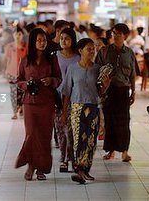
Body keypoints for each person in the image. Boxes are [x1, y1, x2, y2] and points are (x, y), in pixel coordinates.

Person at [61, 38, 110, 184]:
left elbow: (100, 92)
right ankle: (79, 170)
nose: (92, 51)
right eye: (88, 48)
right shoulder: (72, 68)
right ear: (80, 50)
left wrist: (106, 85)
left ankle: (85, 170)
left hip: (93, 107)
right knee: (78, 140)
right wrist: (64, 113)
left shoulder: (97, 69)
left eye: (93, 48)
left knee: (90, 140)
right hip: (76, 108)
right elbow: (67, 92)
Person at [16, 28, 62, 181]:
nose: (42, 43)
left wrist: (51, 81)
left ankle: (40, 169)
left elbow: (58, 78)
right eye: (39, 40)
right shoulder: (25, 60)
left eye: (44, 40)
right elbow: (19, 80)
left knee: (44, 136)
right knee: (30, 135)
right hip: (30, 102)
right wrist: (26, 85)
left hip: (47, 102)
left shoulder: (51, 60)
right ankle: (30, 165)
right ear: (33, 42)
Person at [95, 23, 136, 162]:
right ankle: (111, 150)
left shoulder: (129, 53)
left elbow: (133, 74)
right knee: (109, 121)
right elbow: (97, 70)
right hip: (108, 91)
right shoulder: (104, 51)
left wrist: (134, 91)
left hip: (123, 90)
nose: (115, 35)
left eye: (119, 33)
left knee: (124, 121)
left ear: (125, 36)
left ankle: (125, 151)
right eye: (114, 33)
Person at [55, 28, 80, 173]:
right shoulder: (54, 56)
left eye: (67, 38)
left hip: (73, 97)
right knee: (60, 131)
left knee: (71, 130)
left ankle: (73, 159)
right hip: (57, 97)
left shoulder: (77, 58)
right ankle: (63, 159)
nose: (64, 41)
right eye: (62, 38)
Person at [5, 27, 27, 119]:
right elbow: (8, 60)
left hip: (24, 74)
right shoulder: (9, 46)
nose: (18, 36)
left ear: (22, 35)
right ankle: (14, 112)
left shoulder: (26, 46)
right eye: (16, 34)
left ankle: (21, 108)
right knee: (13, 92)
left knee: (23, 92)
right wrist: (6, 71)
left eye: (19, 34)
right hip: (12, 73)